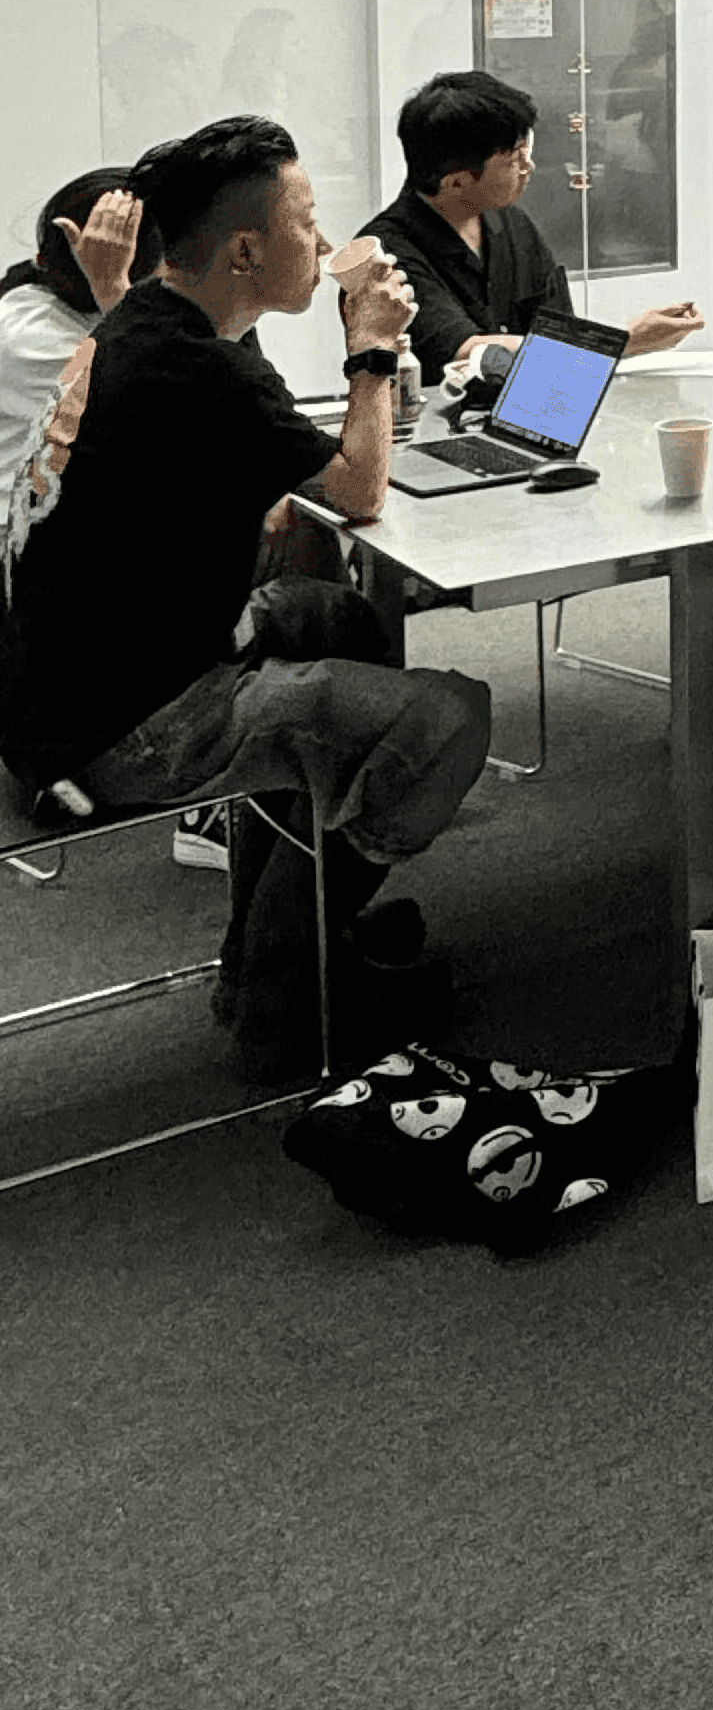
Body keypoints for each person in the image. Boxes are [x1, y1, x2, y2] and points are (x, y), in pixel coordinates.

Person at [0, 118, 489, 1076]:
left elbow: (265, 441)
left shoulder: (148, 322)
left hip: (60, 678)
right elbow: (357, 489)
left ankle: (306, 928)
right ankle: (281, 988)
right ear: (243, 249)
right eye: (306, 224)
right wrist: (373, 351)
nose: (322, 239)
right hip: (127, 720)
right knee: (449, 718)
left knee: (338, 615)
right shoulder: (196, 364)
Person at [362, 68, 701, 379]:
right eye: (513, 159)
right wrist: (621, 341)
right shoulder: (385, 255)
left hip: (538, 412)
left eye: (526, 151)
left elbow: (560, 334)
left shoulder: (510, 222)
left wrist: (603, 348)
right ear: (456, 182)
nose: (529, 167)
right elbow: (472, 353)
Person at [2, 169, 157, 552]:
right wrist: (114, 286)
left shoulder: (81, 311)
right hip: (25, 554)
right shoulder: (31, 338)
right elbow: (163, 412)